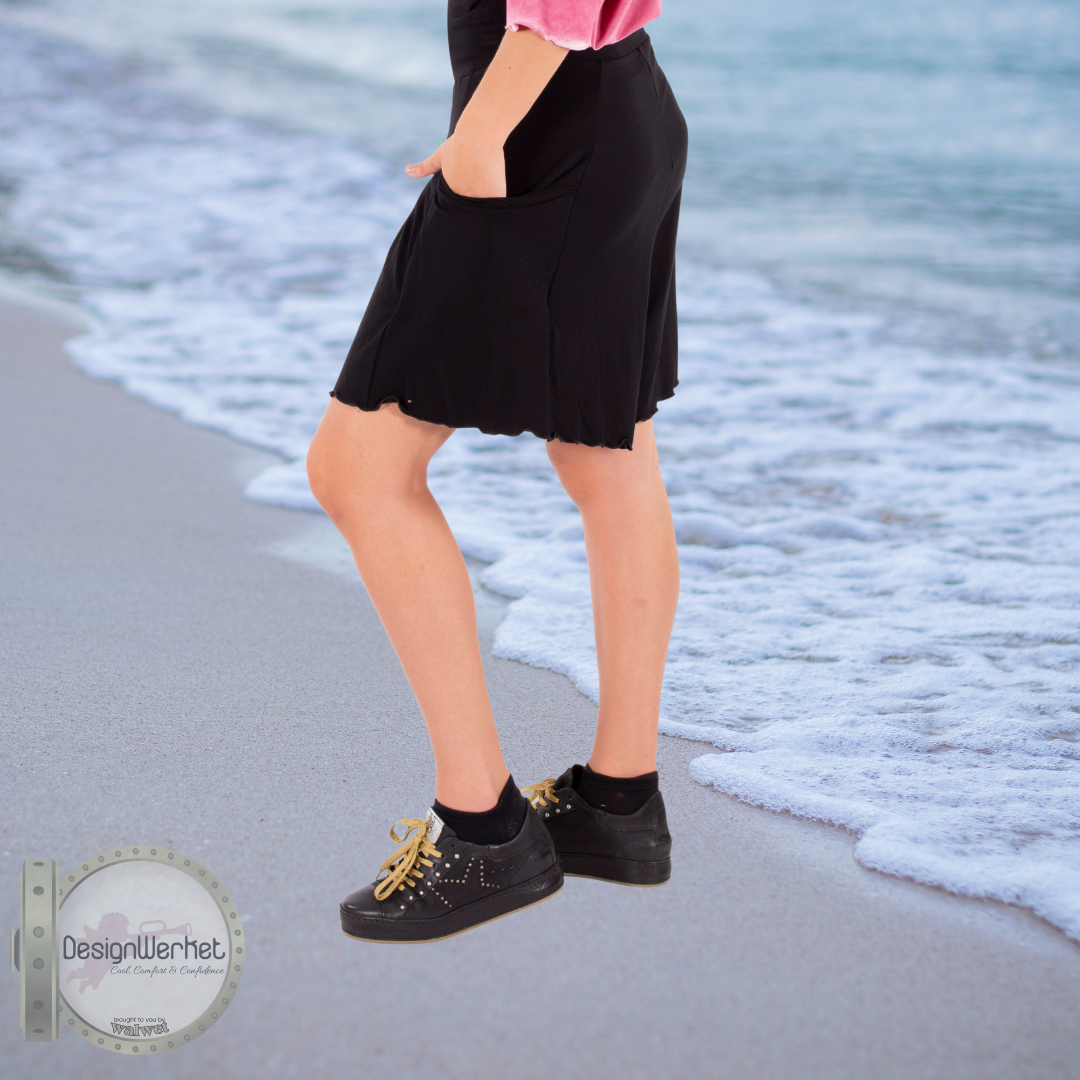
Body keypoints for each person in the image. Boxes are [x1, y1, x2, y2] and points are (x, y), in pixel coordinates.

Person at [306, 0, 687, 942]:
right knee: (608, 453)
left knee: (359, 468)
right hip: (614, 110)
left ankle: (483, 828)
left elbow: (552, 14)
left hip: (537, 124)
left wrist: (481, 135)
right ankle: (619, 800)